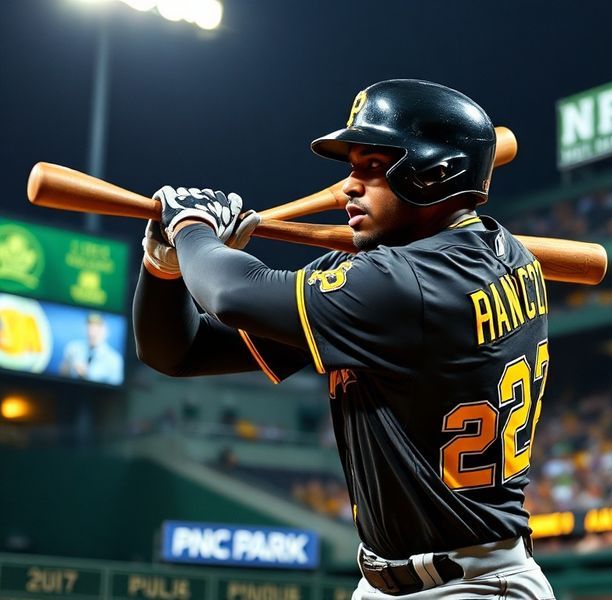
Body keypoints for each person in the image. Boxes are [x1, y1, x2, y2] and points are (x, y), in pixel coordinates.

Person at [133, 79, 554, 599]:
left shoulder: (403, 286)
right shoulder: (486, 254)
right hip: (392, 579)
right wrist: (165, 267)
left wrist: (193, 226)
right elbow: (179, 351)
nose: (350, 186)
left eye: (373, 167)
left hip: (471, 586)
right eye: (351, 167)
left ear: (437, 175)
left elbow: (233, 294)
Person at [60, 312, 123, 385]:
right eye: (90, 326)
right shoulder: (73, 348)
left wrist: (88, 375)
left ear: (106, 330)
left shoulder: (115, 360)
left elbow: (115, 390)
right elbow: (61, 376)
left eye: (98, 327)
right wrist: (68, 366)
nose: (93, 331)